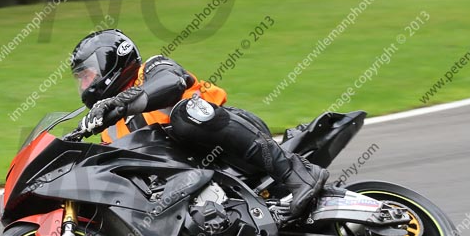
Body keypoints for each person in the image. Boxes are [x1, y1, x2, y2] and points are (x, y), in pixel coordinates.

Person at [70, 29, 329, 216]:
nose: (84, 84)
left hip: (230, 143)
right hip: (194, 179)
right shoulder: (111, 132)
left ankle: (296, 173)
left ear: (109, 62)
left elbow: (171, 83)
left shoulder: (151, 69)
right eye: (80, 79)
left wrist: (120, 103)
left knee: (185, 114)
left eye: (86, 75)